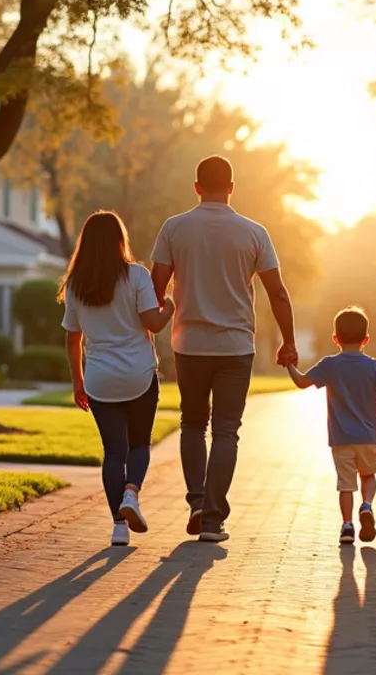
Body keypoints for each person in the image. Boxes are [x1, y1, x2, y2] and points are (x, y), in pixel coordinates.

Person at [151, 155, 297, 543]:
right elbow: (278, 293)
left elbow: (155, 288)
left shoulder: (174, 228)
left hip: (189, 344)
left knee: (192, 423)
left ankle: (197, 503)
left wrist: (153, 323)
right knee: (226, 431)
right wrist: (288, 341)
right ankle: (213, 520)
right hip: (235, 346)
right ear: (232, 187)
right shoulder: (254, 232)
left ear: (196, 187)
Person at [61, 211, 175, 547]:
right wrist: (169, 306)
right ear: (119, 240)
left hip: (100, 379)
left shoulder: (76, 285)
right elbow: (153, 323)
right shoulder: (136, 275)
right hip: (139, 375)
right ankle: (131, 494)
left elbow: (72, 339)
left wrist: (78, 382)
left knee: (113, 452)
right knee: (139, 444)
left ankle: (118, 528)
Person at [284, 307, 376, 545]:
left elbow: (301, 382)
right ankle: (367, 505)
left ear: (335, 338)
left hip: (341, 438)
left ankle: (347, 525)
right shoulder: (374, 366)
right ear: (366, 339)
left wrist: (289, 364)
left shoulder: (330, 365)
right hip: (369, 437)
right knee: (368, 475)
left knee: (346, 485)